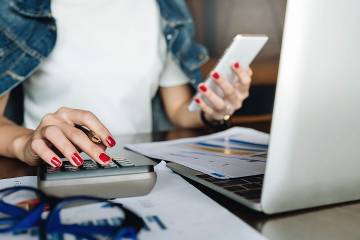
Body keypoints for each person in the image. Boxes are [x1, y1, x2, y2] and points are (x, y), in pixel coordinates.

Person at [0, 0, 253, 168]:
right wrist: (27, 143)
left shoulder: (165, 7)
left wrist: (213, 109)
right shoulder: (18, 8)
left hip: (139, 171)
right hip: (54, 169)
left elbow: (178, 111)